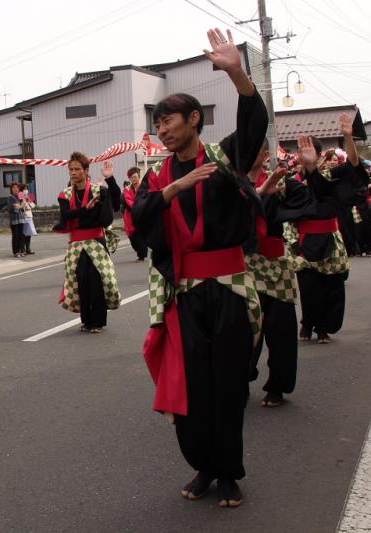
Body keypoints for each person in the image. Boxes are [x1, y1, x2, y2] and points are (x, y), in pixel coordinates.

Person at [133, 28, 268, 508]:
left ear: (193, 119)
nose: (162, 131)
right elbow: (139, 221)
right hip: (186, 293)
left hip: (229, 286)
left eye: (168, 120)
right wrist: (174, 189)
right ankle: (204, 465)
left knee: (229, 385)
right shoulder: (158, 176)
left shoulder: (226, 158)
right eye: (157, 124)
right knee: (192, 386)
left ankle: (229, 471)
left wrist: (236, 71)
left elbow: (254, 126)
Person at [293, 117, 367, 344]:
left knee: (331, 285)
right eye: (299, 151)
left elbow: (354, 166)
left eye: (305, 150)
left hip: (330, 238)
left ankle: (323, 327)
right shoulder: (293, 180)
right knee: (308, 286)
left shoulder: (331, 176)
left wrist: (347, 137)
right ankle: (308, 322)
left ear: (317, 153)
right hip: (305, 239)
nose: (301, 154)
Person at [245, 142, 306, 409]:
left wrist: (311, 168)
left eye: (254, 150)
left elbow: (309, 202)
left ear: (266, 155)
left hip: (275, 264)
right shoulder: (229, 185)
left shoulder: (282, 183)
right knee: (242, 331)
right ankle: (239, 381)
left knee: (280, 330)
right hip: (242, 265)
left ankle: (277, 387)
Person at [54, 156, 121, 333]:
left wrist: (110, 178)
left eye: (77, 169)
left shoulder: (99, 191)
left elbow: (116, 202)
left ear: (86, 170)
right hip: (76, 243)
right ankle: (86, 320)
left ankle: (98, 322)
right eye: (71, 170)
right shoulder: (65, 194)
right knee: (80, 280)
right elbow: (66, 216)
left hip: (96, 241)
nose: (74, 173)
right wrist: (85, 210)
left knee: (98, 279)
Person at [122, 167, 147, 261]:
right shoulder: (127, 189)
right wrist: (138, 207)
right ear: (129, 178)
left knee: (140, 235)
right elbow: (129, 201)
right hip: (130, 215)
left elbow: (146, 199)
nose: (134, 179)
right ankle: (140, 251)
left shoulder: (144, 187)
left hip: (142, 215)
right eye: (132, 177)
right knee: (132, 238)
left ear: (138, 177)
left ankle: (142, 255)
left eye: (135, 177)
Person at [7, 182, 26, 257]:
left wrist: (20, 206)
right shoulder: (10, 197)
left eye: (17, 187)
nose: (16, 189)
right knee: (16, 236)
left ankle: (21, 250)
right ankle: (16, 251)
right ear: (11, 189)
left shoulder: (20, 196)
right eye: (14, 188)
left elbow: (23, 207)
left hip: (21, 219)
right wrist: (19, 206)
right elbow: (10, 208)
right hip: (14, 220)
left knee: (21, 235)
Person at [19, 183, 37, 254]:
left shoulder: (29, 196)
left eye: (26, 189)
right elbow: (21, 206)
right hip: (24, 216)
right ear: (21, 190)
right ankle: (23, 250)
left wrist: (29, 200)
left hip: (29, 216)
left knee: (29, 233)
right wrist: (24, 200)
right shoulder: (20, 196)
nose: (26, 190)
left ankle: (28, 249)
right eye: (24, 189)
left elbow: (33, 206)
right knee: (23, 234)